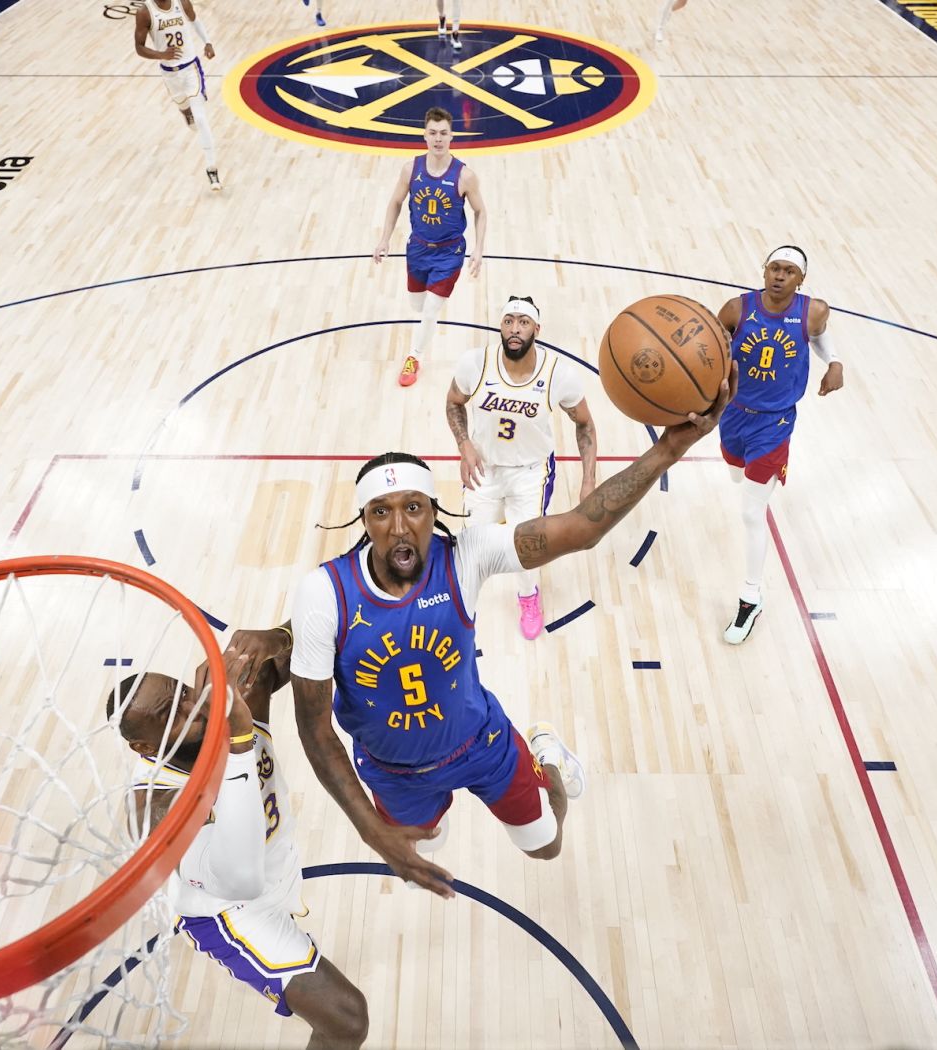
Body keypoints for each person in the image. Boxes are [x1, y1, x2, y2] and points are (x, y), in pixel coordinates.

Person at [288, 385, 730, 898]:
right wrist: (373, 833)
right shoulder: (324, 592)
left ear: (435, 511)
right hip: (392, 771)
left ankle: (547, 752)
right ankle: (428, 815)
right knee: (424, 841)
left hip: (481, 744)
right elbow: (315, 731)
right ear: (364, 522)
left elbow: (580, 530)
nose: (400, 526)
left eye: (413, 506)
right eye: (381, 512)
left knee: (546, 844)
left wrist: (668, 449)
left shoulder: (466, 555)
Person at [107, 632, 369, 1049]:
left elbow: (325, 621)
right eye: (172, 714)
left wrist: (276, 638)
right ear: (144, 746)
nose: (195, 709)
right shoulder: (156, 809)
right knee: (347, 1018)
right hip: (229, 910)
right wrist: (239, 739)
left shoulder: (225, 700)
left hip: (276, 862)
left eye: (185, 693)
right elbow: (238, 879)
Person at [445, 295, 597, 639]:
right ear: (500, 325)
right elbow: (454, 401)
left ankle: (528, 596)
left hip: (531, 471)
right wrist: (464, 444)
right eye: (509, 321)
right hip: (483, 468)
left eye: (523, 322)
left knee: (525, 545)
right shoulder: (475, 363)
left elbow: (585, 424)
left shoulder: (559, 375)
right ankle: (463, 601)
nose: (515, 328)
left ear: (536, 329)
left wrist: (588, 480)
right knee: (472, 543)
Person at [716, 246, 844, 645]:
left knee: (752, 512)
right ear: (764, 270)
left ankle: (750, 596)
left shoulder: (814, 312)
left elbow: (820, 337)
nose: (780, 276)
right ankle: (747, 474)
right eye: (775, 268)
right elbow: (710, 349)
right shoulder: (737, 309)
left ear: (800, 279)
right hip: (734, 413)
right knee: (735, 476)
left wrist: (834, 362)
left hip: (775, 422)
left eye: (789, 271)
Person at [372, 107, 488, 388]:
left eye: (443, 133)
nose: (438, 139)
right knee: (417, 304)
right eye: (433, 133)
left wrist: (478, 249)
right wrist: (384, 238)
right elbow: (395, 202)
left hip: (450, 252)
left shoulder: (465, 176)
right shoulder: (411, 169)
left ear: (452, 136)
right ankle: (426, 326)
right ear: (425, 135)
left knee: (430, 310)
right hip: (418, 248)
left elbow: (480, 211)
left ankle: (414, 356)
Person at [134, 0, 222, 190]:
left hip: (191, 68)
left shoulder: (181, 3)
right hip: (169, 72)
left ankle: (211, 168)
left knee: (200, 118)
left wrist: (207, 42)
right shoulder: (144, 12)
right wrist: (161, 55)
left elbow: (195, 20)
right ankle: (184, 110)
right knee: (183, 105)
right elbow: (139, 47)